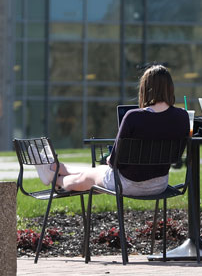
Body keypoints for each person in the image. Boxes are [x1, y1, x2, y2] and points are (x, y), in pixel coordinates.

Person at [36, 65, 189, 195]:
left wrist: (109, 159)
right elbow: (177, 157)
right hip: (159, 185)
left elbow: (114, 161)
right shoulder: (183, 117)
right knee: (94, 171)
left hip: (128, 184)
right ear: (170, 88)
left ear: (145, 88)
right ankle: (57, 167)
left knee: (87, 177)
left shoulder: (133, 117)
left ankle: (55, 179)